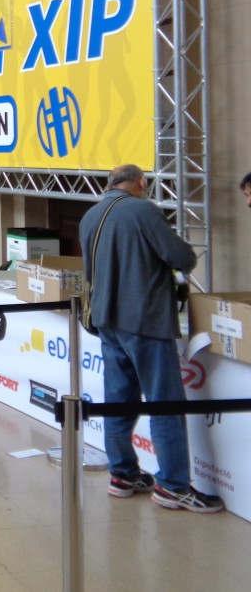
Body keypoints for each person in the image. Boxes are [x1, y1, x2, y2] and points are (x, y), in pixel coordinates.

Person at [80, 164, 222, 513]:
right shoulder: (143, 210)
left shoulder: (90, 215)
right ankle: (173, 487)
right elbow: (182, 258)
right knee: (165, 404)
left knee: (118, 401)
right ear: (142, 183)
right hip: (145, 320)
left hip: (106, 320)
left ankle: (123, 475)